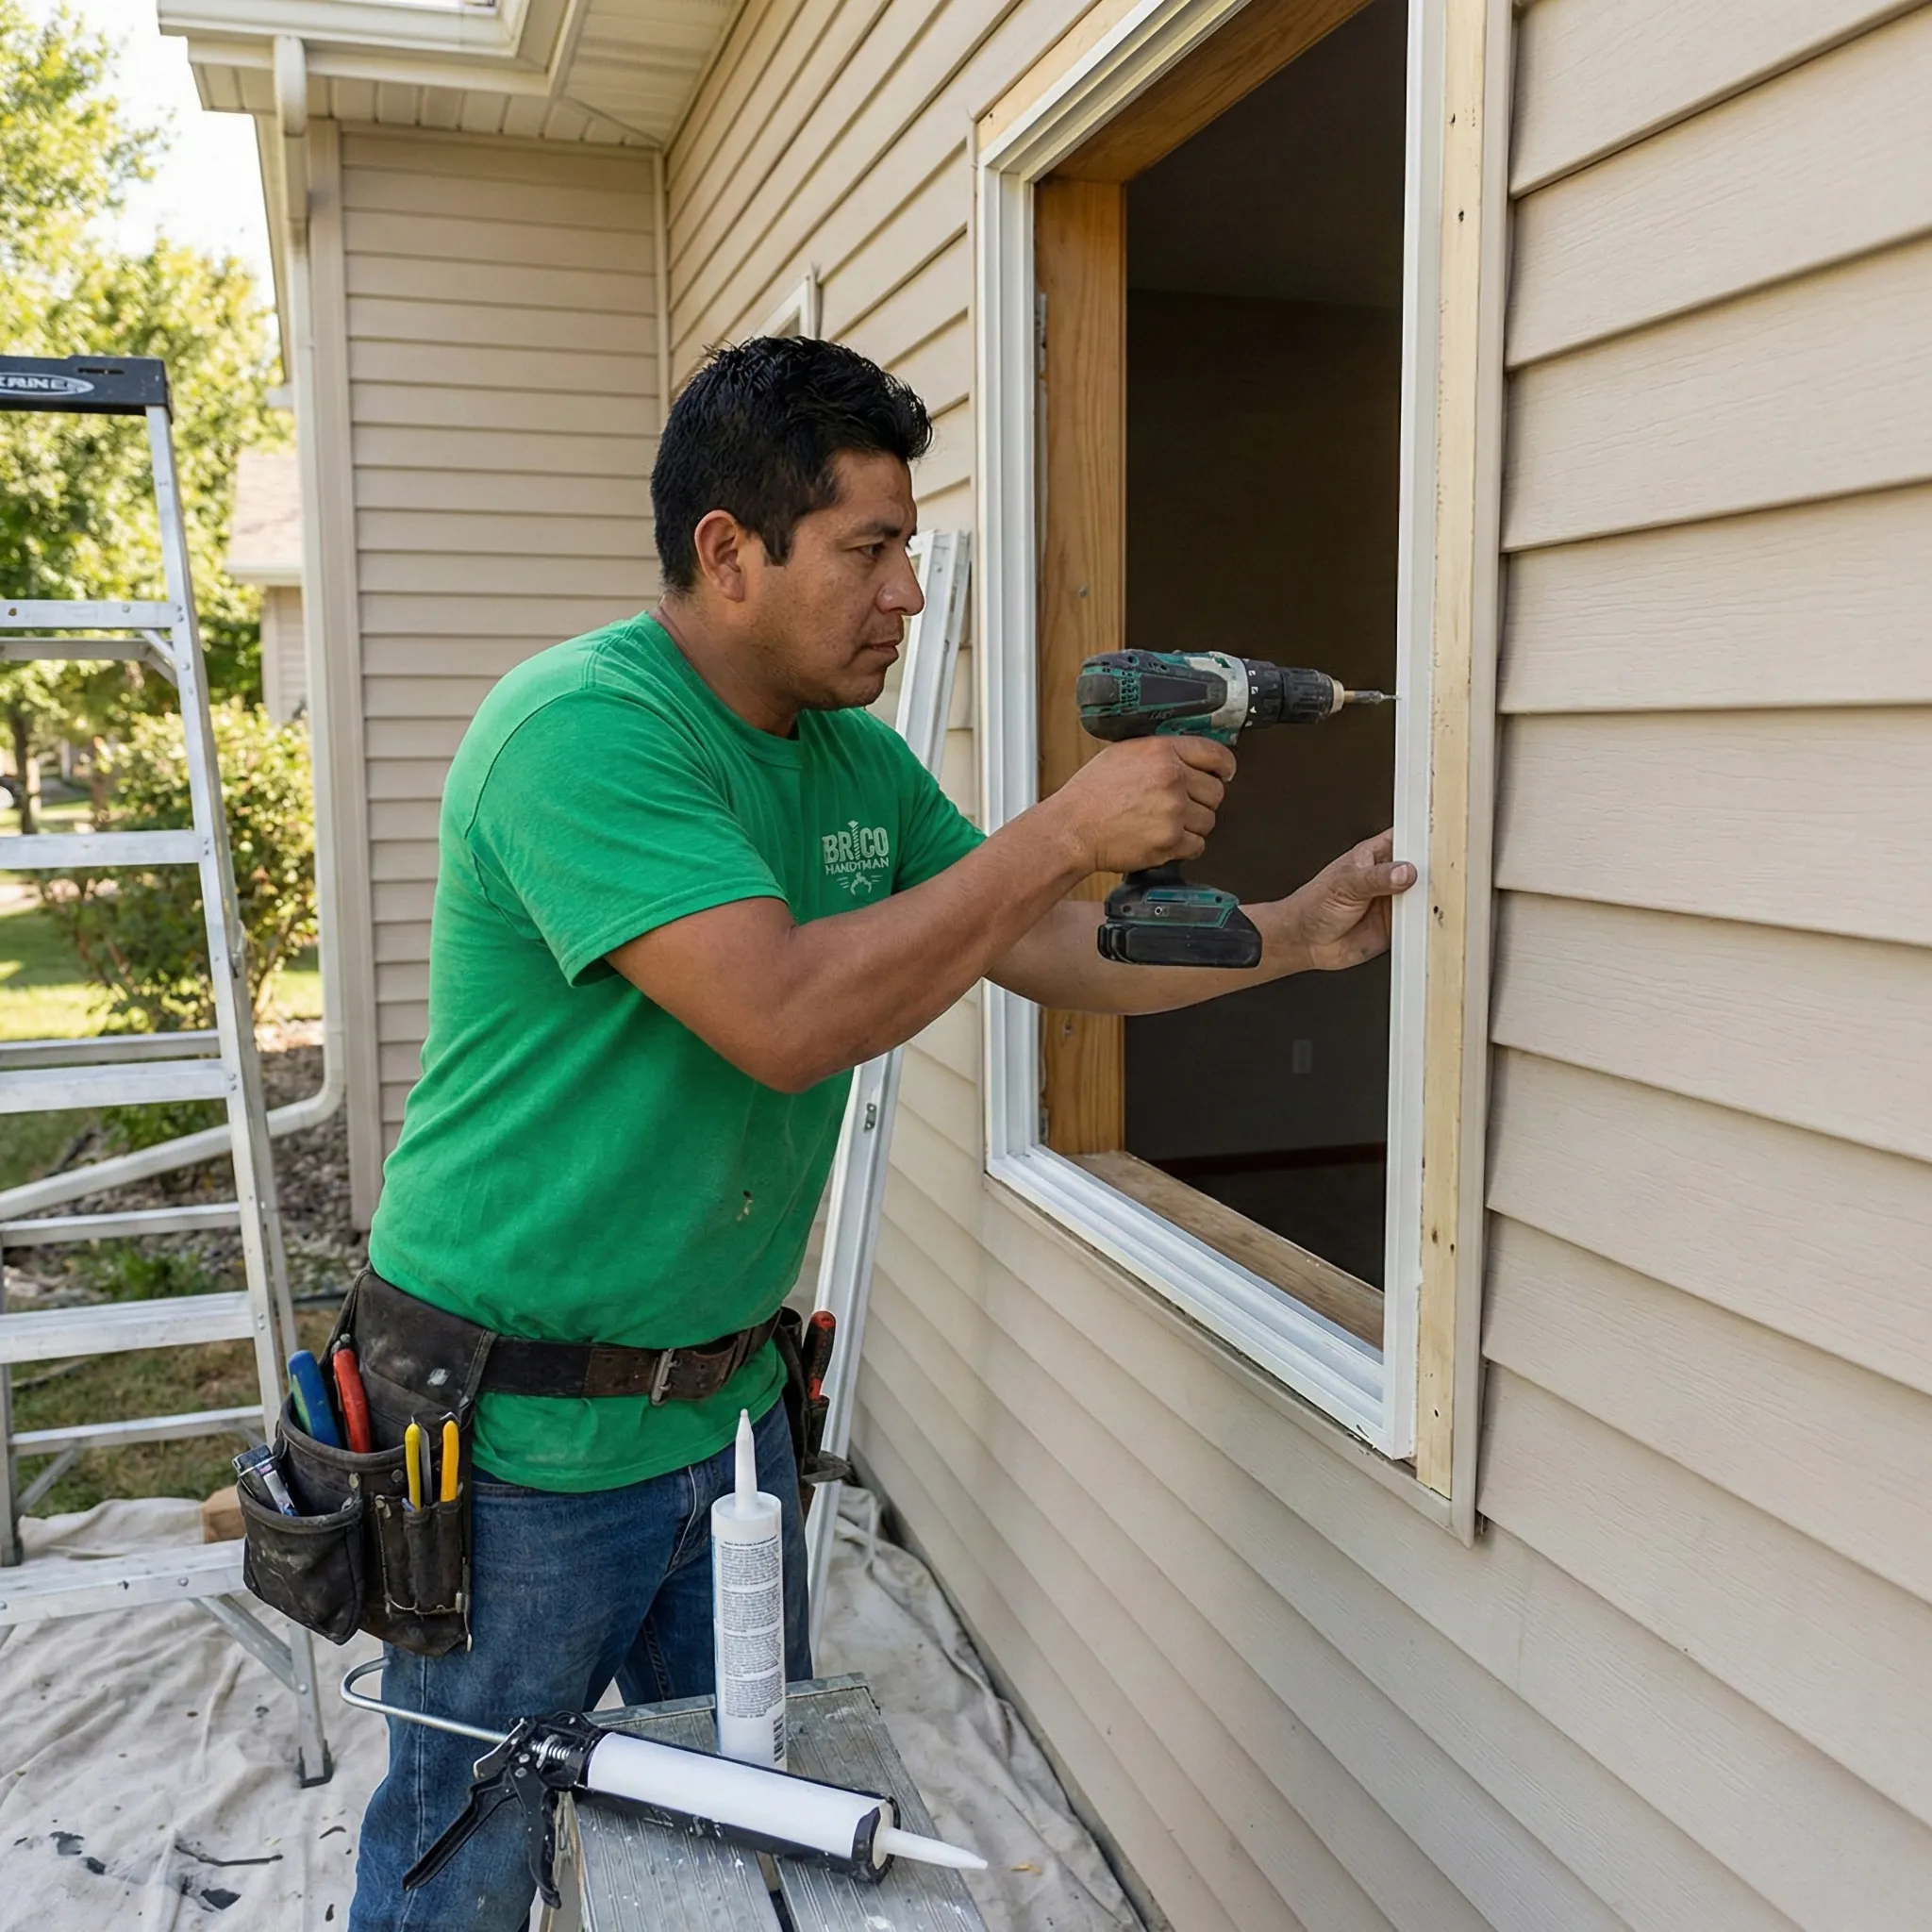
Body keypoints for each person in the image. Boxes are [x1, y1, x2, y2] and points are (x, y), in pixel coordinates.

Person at [347, 335, 1413, 1929]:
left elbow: (1034, 944)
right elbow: (782, 1016)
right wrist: (1062, 828)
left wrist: (1293, 932)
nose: (908, 593)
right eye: (871, 548)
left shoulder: (851, 762)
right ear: (728, 552)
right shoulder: (577, 731)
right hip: (518, 1442)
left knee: (750, 1834)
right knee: (468, 1847)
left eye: (911, 549)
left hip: (722, 1423)